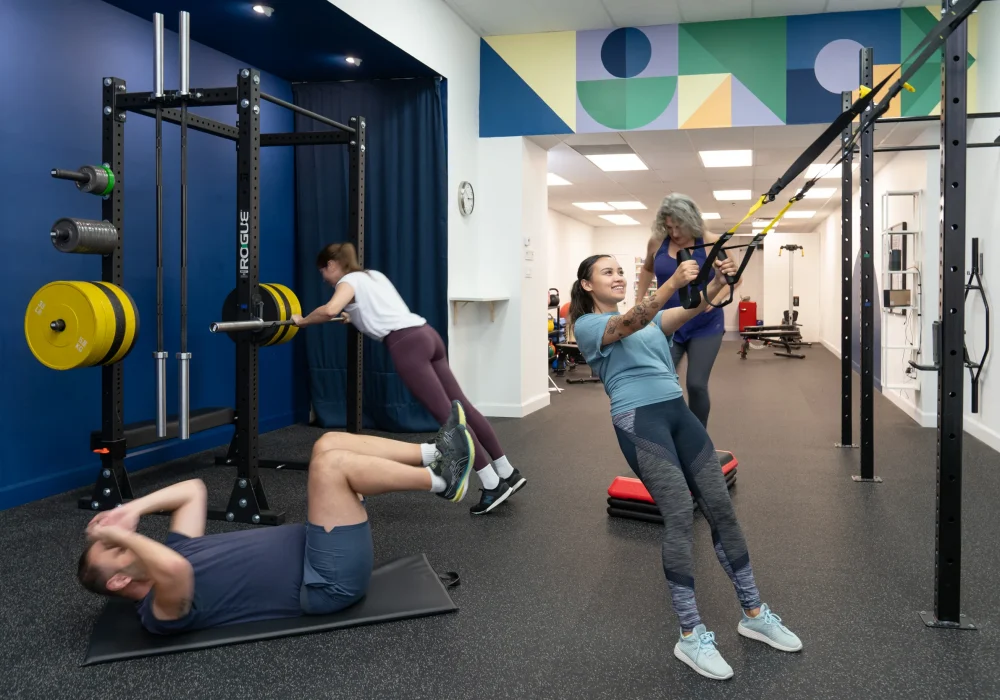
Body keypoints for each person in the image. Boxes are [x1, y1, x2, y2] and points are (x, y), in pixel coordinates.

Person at [569, 253, 801, 680]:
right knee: (677, 514)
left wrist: (717, 280)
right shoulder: (588, 326)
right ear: (587, 285)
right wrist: (673, 280)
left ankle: (753, 613)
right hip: (639, 420)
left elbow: (697, 306)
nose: (618, 277)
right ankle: (690, 635)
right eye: (608, 272)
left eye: (621, 271)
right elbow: (631, 322)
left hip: (678, 414)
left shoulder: (654, 320)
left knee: (721, 509)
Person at [77, 403, 474, 634]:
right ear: (118, 580)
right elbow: (176, 569)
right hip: (326, 581)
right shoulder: (157, 609)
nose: (121, 537)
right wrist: (127, 538)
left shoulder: (175, 546)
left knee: (327, 444)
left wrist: (131, 509)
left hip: (321, 549)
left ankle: (429, 453)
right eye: (114, 548)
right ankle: (442, 480)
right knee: (331, 468)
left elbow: (193, 491)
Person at [291, 242, 524, 516]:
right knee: (464, 408)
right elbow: (372, 309)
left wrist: (303, 320)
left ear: (331, 264)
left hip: (406, 345)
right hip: (427, 335)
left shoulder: (347, 280)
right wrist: (351, 315)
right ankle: (507, 471)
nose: (325, 279)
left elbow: (329, 309)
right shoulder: (373, 276)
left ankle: (491, 483)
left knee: (450, 418)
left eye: (324, 272)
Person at [636, 193, 727, 428]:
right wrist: (639, 302)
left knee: (696, 384)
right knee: (663, 381)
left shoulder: (710, 241)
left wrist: (715, 299)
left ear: (692, 222)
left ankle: (698, 436)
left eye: (679, 227)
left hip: (705, 326)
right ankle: (667, 430)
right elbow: (647, 270)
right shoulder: (657, 242)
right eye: (669, 227)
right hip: (668, 323)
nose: (674, 233)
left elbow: (733, 279)